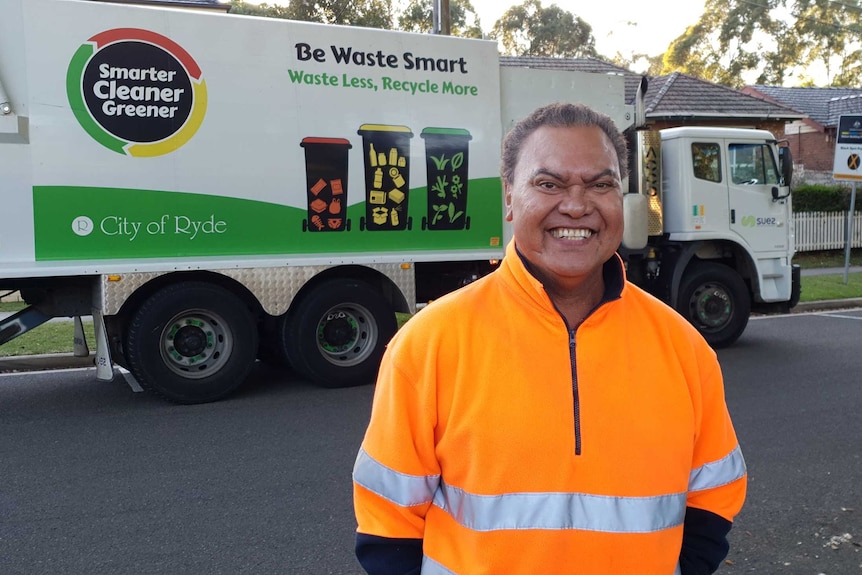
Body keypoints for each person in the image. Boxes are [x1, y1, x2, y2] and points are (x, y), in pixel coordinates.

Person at [352, 102, 747, 575]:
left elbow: (714, 493)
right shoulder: (428, 344)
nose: (577, 205)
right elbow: (386, 521)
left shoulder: (684, 348)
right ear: (509, 197)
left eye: (601, 184)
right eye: (548, 184)